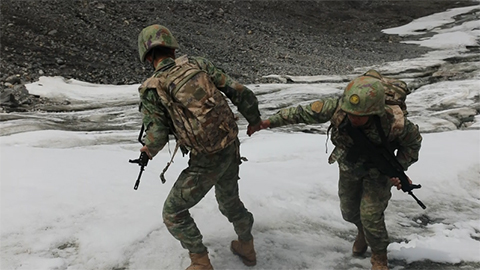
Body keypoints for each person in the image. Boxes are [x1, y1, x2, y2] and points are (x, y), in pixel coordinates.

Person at [249, 75, 422, 270]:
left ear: (374, 111)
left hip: (378, 174)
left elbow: (413, 145)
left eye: (359, 115)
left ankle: (379, 257)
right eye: (351, 113)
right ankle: (362, 232)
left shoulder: (394, 123)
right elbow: (303, 113)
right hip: (349, 167)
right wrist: (268, 122)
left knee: (371, 215)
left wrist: (399, 168)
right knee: (349, 212)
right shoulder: (339, 108)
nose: (353, 118)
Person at [137, 24, 261, 270]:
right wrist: (254, 119)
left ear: (148, 56)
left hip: (205, 158)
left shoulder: (152, 88)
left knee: (173, 213)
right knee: (229, 200)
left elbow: (158, 133)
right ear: (172, 49)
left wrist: (147, 150)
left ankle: (200, 261)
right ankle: (246, 245)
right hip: (229, 144)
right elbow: (239, 91)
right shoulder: (198, 64)